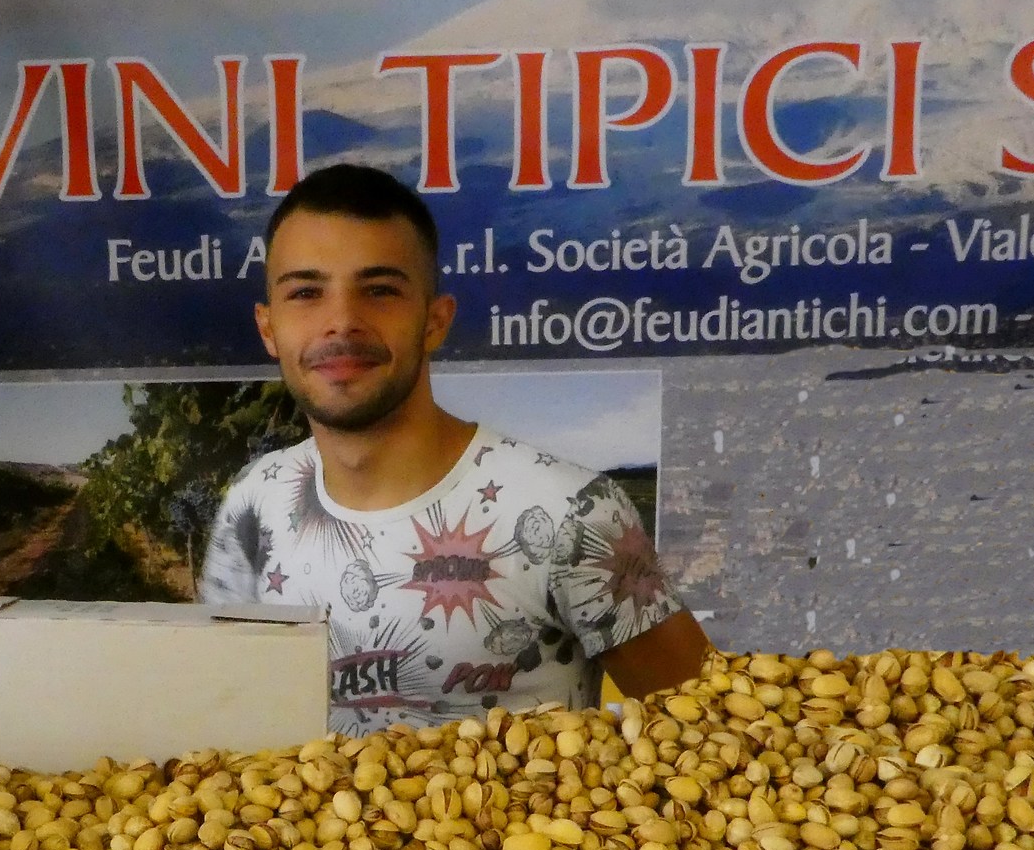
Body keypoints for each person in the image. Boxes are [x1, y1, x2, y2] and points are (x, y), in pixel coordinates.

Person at [199, 163, 710, 736]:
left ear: (436, 321)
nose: (341, 321)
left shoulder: (574, 513)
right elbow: (221, 720)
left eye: (381, 290)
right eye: (306, 293)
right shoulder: (251, 505)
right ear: (268, 328)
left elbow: (706, 737)